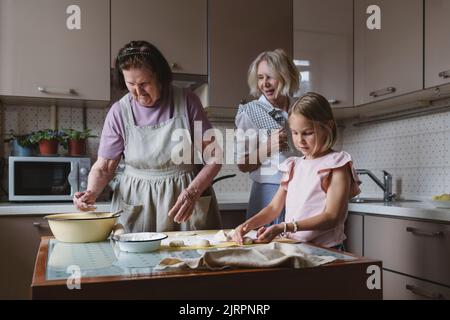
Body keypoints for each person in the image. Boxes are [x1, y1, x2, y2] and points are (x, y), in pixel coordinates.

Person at [73, 40, 222, 233]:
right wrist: (90, 193)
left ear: (159, 77)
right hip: (136, 201)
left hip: (184, 199)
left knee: (190, 259)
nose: (138, 91)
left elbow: (214, 158)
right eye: (130, 84)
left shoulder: (187, 102)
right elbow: (103, 168)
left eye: (144, 83)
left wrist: (192, 193)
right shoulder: (119, 111)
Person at [233, 92, 361, 249]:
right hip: (293, 246)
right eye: (294, 133)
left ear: (328, 127)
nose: (300, 140)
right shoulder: (293, 165)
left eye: (307, 133)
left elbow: (332, 216)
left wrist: (284, 227)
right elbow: (274, 208)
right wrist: (246, 226)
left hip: (326, 250)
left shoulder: (337, 164)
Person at [235, 49, 300, 225]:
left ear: (285, 76)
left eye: (270, 77)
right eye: (260, 77)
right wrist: (267, 148)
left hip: (301, 190)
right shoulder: (250, 112)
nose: (265, 84)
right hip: (267, 193)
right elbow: (242, 164)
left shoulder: (300, 108)